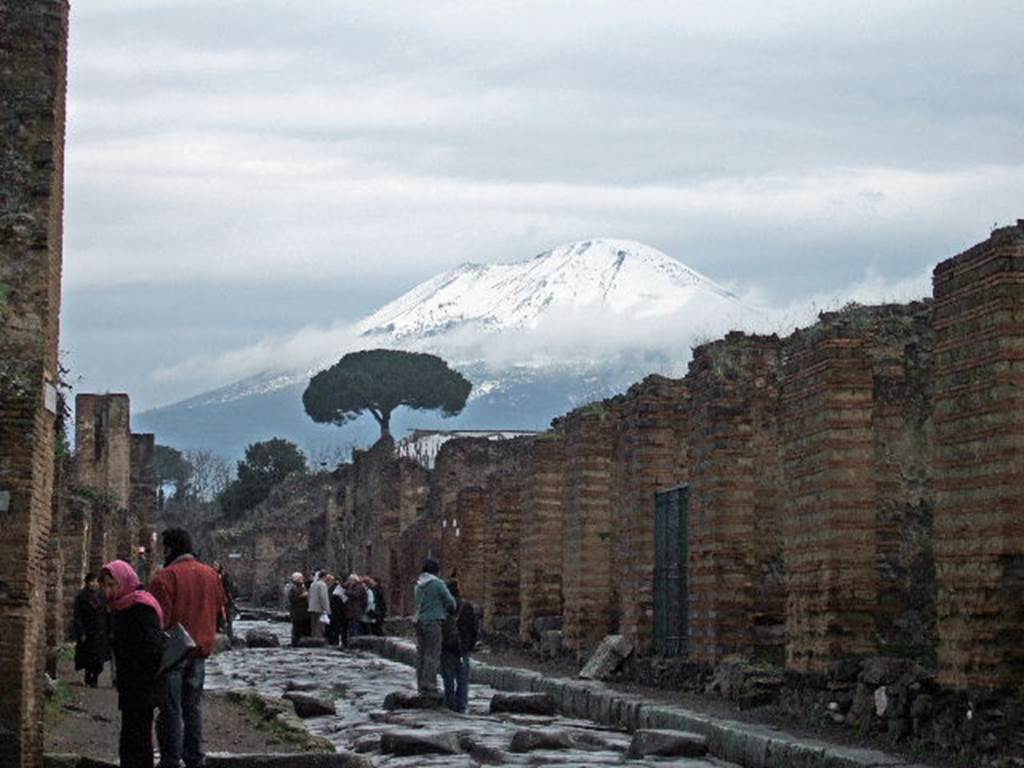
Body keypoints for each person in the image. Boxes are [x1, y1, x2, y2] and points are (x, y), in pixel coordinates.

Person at [148, 528, 227, 768]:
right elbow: (219, 611)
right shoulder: (212, 575)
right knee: (193, 707)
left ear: (170, 549)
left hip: (173, 654)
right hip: (200, 651)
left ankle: (171, 760)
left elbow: (160, 620)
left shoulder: (165, 577)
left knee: (170, 709)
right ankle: (194, 757)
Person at [100, 560, 165, 768]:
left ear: (124, 581)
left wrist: (139, 673)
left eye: (112, 585)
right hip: (130, 684)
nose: (107, 590)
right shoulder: (120, 606)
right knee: (131, 735)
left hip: (142, 684)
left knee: (138, 736)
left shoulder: (141, 607)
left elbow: (153, 647)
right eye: (105, 585)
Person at [414, 558, 455, 696]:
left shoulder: (418, 585)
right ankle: (429, 684)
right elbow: (450, 602)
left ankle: (420, 683)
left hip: (419, 622)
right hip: (433, 621)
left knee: (421, 654)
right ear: (436, 571)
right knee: (433, 653)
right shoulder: (437, 584)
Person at [440, 579, 478, 713]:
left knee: (448, 678)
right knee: (463, 679)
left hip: (446, 647)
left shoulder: (443, 606)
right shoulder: (466, 606)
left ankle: (450, 704)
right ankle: (461, 705)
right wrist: (470, 645)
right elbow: (474, 628)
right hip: (463, 647)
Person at [72, 572, 110, 688]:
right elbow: (77, 616)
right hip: (88, 631)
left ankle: (96, 676)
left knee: (99, 659)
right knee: (89, 657)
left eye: (95, 582)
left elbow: (106, 614)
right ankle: (89, 677)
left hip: (100, 631)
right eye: (91, 582)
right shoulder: (81, 597)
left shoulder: (102, 596)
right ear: (87, 583)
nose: (94, 584)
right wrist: (81, 632)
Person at [213, 561, 239, 647]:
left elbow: (227, 588)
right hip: (216, 599)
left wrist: (230, 598)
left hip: (224, 599)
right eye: (214, 565)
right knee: (218, 616)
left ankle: (229, 635)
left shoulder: (224, 575)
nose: (214, 567)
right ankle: (219, 631)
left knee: (227, 617)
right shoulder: (212, 575)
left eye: (216, 565)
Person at [285, 572, 309, 647]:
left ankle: (300, 643)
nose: (302, 579)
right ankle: (294, 644)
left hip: (303, 613)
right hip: (296, 613)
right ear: (295, 579)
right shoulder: (291, 587)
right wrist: (302, 596)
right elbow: (292, 599)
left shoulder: (302, 587)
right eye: (300, 578)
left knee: (302, 629)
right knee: (296, 630)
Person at [307, 570, 331, 640]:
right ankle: (319, 640)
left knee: (313, 627)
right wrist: (327, 609)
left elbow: (309, 596)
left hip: (311, 608)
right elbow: (323, 598)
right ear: (324, 576)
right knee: (320, 627)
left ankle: (313, 639)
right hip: (319, 609)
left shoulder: (313, 584)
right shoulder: (322, 585)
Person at [344, 574, 368, 640]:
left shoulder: (359, 587)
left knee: (355, 628)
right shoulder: (352, 587)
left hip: (356, 611)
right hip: (351, 611)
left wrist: (347, 591)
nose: (349, 582)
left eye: (350, 580)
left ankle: (355, 642)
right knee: (351, 628)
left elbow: (355, 595)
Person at [327, 575, 346, 646]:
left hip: (333, 610)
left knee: (333, 627)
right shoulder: (339, 589)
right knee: (338, 627)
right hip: (339, 611)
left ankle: (333, 641)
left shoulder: (331, 588)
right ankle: (336, 641)